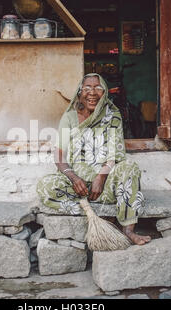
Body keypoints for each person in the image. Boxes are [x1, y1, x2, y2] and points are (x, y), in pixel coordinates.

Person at [36, 73, 151, 245]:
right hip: (78, 186)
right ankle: (91, 209)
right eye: (87, 88)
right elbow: (59, 153)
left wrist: (101, 177)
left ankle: (127, 229)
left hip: (105, 186)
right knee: (45, 186)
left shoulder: (112, 115)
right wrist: (73, 178)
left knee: (130, 168)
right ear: (79, 92)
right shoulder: (70, 117)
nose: (92, 92)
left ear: (104, 92)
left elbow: (114, 153)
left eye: (98, 88)